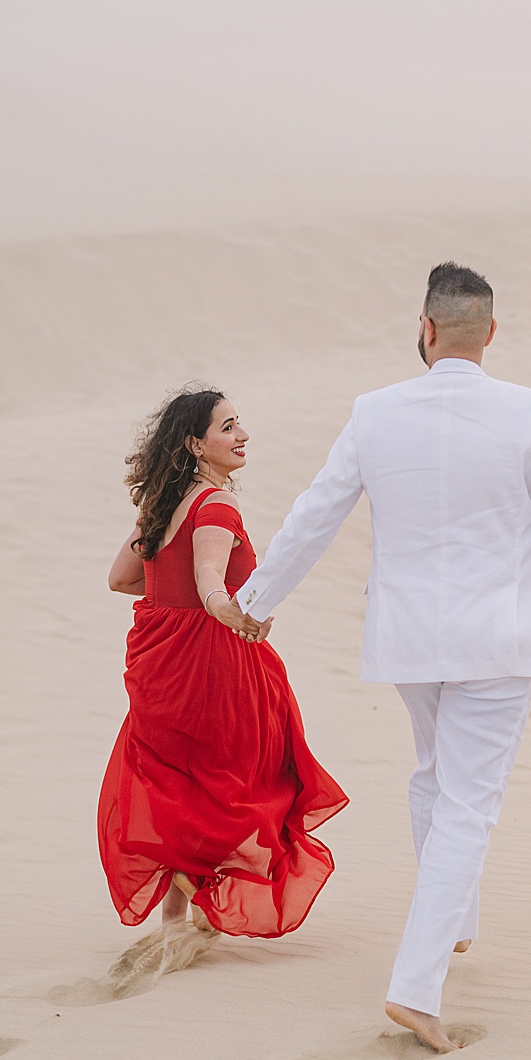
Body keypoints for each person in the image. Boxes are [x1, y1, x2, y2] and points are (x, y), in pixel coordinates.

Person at [234, 261, 531, 1053]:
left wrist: (257, 600)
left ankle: (455, 922)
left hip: (410, 639)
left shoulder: (376, 413)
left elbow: (316, 513)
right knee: (469, 805)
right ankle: (417, 986)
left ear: (426, 327)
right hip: (497, 639)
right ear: (491, 334)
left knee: (434, 778)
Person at [101, 387, 348, 969]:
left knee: (174, 779)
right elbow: (211, 577)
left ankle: (175, 926)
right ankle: (203, 900)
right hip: (212, 664)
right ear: (195, 444)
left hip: (160, 661)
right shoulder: (217, 508)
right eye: (228, 427)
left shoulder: (161, 505)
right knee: (242, 783)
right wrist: (230, 609)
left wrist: (176, 597)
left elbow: (120, 579)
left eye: (240, 424)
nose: (242, 435)